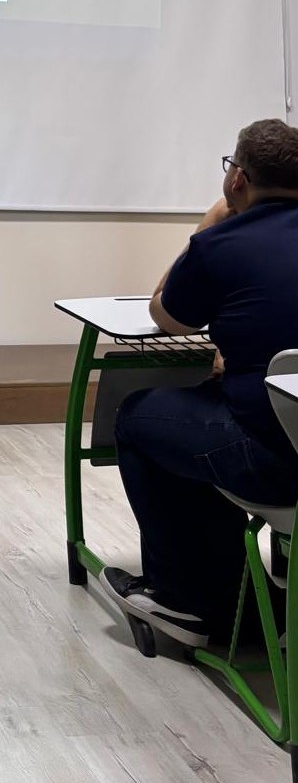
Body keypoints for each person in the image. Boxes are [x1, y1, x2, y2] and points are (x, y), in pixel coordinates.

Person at [101, 118, 298, 648]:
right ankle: (251, 592)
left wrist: (209, 224)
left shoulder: (223, 243)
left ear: (238, 179)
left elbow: (166, 317)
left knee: (140, 416)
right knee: (205, 408)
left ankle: (186, 601)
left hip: (276, 460)